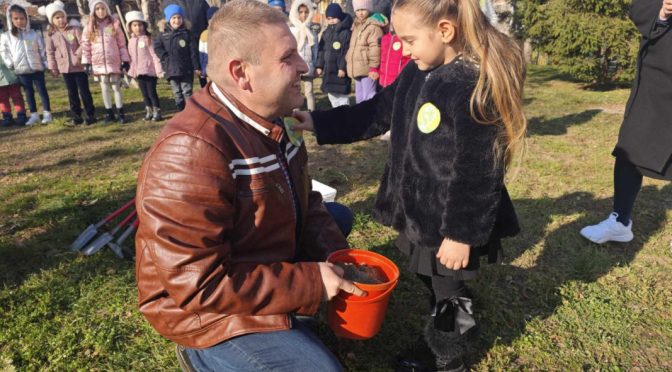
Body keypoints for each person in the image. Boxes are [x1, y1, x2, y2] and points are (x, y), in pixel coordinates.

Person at [293, 0, 526, 369]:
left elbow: (480, 170)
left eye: (409, 39)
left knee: (447, 289)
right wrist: (319, 122)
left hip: (449, 219)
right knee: (426, 274)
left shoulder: (470, 85)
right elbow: (376, 112)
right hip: (418, 211)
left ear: (445, 31)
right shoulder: (418, 71)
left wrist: (460, 234)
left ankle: (447, 356)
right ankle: (444, 319)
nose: (401, 48)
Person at [135, 1, 364, 371]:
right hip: (202, 312)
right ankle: (203, 356)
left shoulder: (276, 117)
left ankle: (288, 315)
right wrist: (310, 283)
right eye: (288, 57)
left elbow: (306, 201)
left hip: (252, 260)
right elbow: (199, 287)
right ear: (242, 73)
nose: (304, 67)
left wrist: (339, 262)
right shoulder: (189, 152)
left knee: (337, 219)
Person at [580, 0, 672, 244]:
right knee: (630, 146)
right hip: (658, 72)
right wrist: (662, 10)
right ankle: (620, 221)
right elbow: (640, 6)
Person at [44, 0, 96, 125]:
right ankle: (76, 116)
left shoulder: (74, 29)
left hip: (78, 67)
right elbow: (50, 53)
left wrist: (77, 55)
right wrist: (53, 67)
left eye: (62, 16)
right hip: (65, 68)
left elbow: (84, 43)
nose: (61, 20)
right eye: (57, 18)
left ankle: (90, 115)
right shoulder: (51, 35)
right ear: (52, 20)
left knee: (84, 91)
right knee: (72, 93)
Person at [0, 4, 52, 125]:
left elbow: (42, 50)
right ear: (10, 20)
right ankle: (34, 115)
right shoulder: (7, 36)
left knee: (42, 91)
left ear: (27, 19)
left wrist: (45, 63)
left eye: (22, 18)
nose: (19, 21)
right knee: (29, 93)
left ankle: (47, 113)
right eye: (16, 18)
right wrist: (11, 64)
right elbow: (4, 51)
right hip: (22, 70)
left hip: (37, 68)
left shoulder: (33, 34)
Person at [81, 0, 130, 124]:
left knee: (116, 87)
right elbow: (85, 45)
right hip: (99, 63)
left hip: (113, 62)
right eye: (97, 9)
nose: (100, 11)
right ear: (93, 11)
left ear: (107, 9)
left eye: (103, 8)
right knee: (104, 88)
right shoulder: (89, 27)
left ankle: (121, 113)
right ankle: (109, 113)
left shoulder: (114, 25)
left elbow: (122, 44)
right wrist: (86, 62)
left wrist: (125, 59)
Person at [154, 4, 200, 111]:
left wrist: (196, 67)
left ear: (183, 19)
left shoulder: (187, 34)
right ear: (168, 19)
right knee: (177, 92)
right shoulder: (163, 35)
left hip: (185, 68)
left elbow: (193, 52)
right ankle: (180, 109)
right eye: (173, 18)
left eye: (179, 17)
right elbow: (157, 47)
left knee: (187, 91)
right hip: (171, 69)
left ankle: (189, 110)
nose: (176, 20)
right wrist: (164, 57)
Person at [125, 11, 164, 121]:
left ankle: (157, 111)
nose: (138, 28)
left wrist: (159, 70)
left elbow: (154, 55)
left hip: (150, 71)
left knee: (152, 92)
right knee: (144, 93)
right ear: (130, 27)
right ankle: (149, 110)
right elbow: (132, 58)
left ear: (144, 26)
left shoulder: (148, 39)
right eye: (135, 25)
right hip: (139, 72)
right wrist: (132, 72)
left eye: (140, 25)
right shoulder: (131, 41)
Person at [346, 0, 387, 103]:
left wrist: (373, 68)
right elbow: (353, 46)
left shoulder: (373, 26)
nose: (360, 13)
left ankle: (371, 118)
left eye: (363, 9)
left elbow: (375, 47)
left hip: (368, 69)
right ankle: (360, 118)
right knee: (359, 98)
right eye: (358, 10)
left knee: (369, 96)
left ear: (369, 9)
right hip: (357, 68)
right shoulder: (356, 25)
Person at [161, 0, 209, 87]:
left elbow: (208, 18)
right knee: (183, 81)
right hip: (179, 45)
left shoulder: (200, 2)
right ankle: (183, 98)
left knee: (203, 73)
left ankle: (207, 93)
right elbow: (165, 24)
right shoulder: (168, 2)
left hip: (200, 42)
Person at [376, 23, 410, 140]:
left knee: (396, 105)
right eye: (392, 23)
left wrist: (403, 76)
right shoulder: (385, 39)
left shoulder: (403, 40)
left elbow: (406, 60)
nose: (393, 26)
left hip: (397, 80)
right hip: (384, 80)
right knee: (386, 104)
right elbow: (381, 58)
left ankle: (395, 129)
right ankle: (387, 127)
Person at [315, 3, 353, 108]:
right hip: (328, 70)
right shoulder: (326, 33)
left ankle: (345, 116)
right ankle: (336, 114)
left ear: (339, 17)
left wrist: (342, 68)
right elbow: (321, 51)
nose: (331, 20)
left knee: (342, 96)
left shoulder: (346, 33)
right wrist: (319, 66)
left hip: (339, 71)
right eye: (329, 18)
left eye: (334, 18)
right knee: (332, 95)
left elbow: (346, 52)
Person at [289, 0, 316, 111]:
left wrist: (315, 65)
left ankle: (312, 115)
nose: (303, 15)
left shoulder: (312, 30)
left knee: (309, 93)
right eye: (301, 12)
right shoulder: (292, 30)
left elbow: (316, 49)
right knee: (296, 92)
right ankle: (296, 115)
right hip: (296, 67)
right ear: (296, 13)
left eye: (306, 12)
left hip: (309, 66)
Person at [0, 33, 26, 127]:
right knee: (2, 97)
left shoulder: (6, 36)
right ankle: (7, 116)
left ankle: (21, 115)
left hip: (11, 71)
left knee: (16, 95)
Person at [197, 6, 218, 86]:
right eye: (211, 19)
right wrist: (203, 69)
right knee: (209, 86)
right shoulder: (204, 35)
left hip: (220, 67)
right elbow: (201, 53)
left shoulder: (224, 34)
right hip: (208, 66)